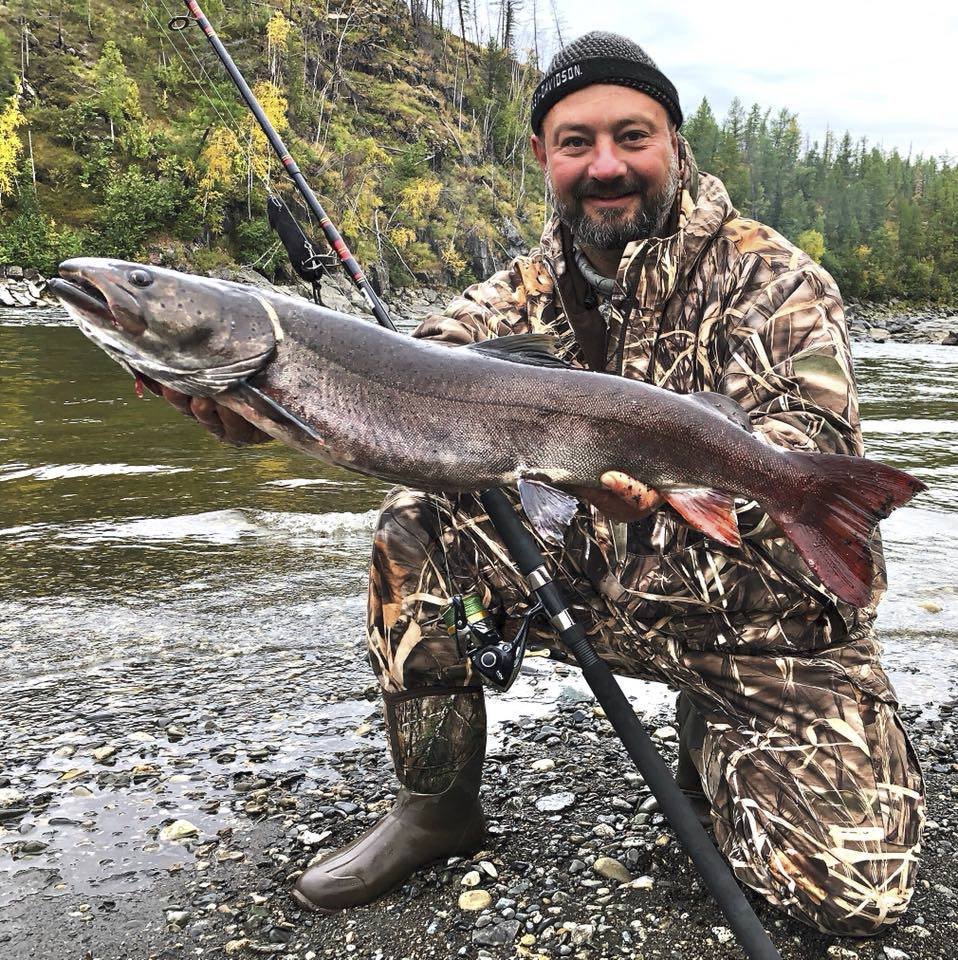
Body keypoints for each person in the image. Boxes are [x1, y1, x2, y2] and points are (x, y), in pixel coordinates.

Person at [164, 33, 925, 937]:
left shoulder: (771, 280)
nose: (606, 165)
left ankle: (713, 732)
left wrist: (725, 484)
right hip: (585, 589)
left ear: (675, 142)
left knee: (851, 900)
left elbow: (812, 437)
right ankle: (435, 807)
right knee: (416, 523)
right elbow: (408, 384)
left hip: (755, 622)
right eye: (577, 142)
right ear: (542, 156)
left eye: (631, 136)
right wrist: (259, 412)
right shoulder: (514, 296)